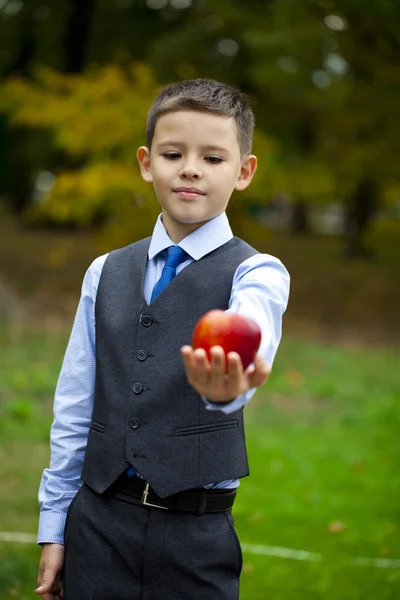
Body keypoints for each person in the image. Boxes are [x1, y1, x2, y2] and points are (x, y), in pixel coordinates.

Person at [35, 78, 290, 600]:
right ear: (147, 163)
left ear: (244, 172)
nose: (191, 168)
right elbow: (76, 402)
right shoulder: (104, 271)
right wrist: (54, 524)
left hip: (196, 535)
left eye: (213, 158)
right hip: (98, 524)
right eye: (174, 153)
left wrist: (228, 389)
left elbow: (252, 329)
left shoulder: (258, 273)